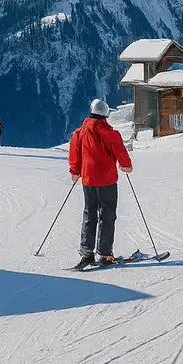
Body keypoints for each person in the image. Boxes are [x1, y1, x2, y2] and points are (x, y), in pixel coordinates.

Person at [68, 98, 133, 270]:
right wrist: (126, 165)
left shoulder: (79, 132)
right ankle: (104, 254)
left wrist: (75, 171)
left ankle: (86, 253)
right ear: (105, 114)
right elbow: (120, 150)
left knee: (89, 214)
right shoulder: (110, 133)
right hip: (107, 180)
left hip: (88, 179)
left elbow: (75, 152)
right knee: (107, 215)